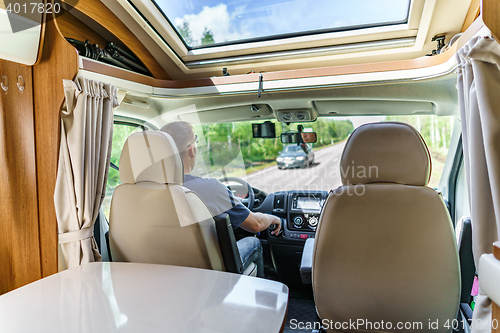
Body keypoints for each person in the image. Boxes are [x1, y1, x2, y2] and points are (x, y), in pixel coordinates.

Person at [161, 121, 281, 277]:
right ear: (192, 149)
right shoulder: (210, 188)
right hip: (207, 273)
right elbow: (256, 225)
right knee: (254, 242)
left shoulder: (139, 191)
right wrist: (273, 218)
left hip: (163, 270)